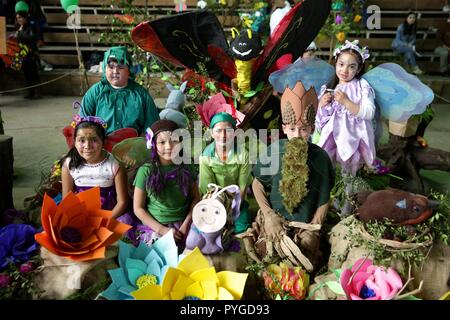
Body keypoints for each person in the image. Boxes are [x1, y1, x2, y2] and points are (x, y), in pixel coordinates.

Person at [242, 80, 335, 270]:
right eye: (292, 129)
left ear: (311, 129)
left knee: (306, 256)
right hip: (276, 221)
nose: (297, 134)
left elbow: (325, 198)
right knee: (267, 255)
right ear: (284, 129)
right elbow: (257, 184)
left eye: (303, 130)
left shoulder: (321, 159)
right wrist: (268, 216)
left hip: (306, 224)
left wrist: (314, 228)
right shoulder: (273, 151)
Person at [130, 119, 199, 245]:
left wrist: (186, 225)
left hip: (184, 223)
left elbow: (195, 199)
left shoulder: (187, 167)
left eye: (174, 140)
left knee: (197, 244)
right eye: (162, 142)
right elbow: (138, 208)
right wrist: (163, 230)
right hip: (155, 226)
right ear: (153, 145)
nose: (169, 147)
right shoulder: (145, 171)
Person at [316, 39, 376, 176]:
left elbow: (369, 112)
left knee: (349, 171)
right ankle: (330, 192)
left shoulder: (362, 86)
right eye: (341, 64)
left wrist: (346, 102)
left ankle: (348, 195)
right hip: (331, 136)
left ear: (359, 69)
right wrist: (322, 105)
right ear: (335, 63)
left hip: (352, 138)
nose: (344, 70)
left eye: (351, 66)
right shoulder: (330, 87)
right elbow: (319, 121)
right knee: (328, 168)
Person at [198, 97, 253, 234]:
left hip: (237, 201)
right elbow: (208, 188)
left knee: (242, 227)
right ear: (211, 133)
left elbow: (242, 186)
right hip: (215, 201)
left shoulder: (243, 155)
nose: (223, 135)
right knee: (210, 230)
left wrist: (234, 209)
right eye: (218, 130)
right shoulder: (206, 157)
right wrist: (219, 209)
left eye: (228, 130)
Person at [80, 46, 160, 136]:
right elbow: (83, 125)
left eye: (121, 67)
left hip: (133, 145)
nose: (115, 71)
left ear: (129, 70)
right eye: (110, 66)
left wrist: (140, 144)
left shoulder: (141, 94)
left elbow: (152, 125)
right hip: (101, 145)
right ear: (104, 69)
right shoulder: (95, 93)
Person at [61, 116, 128, 218]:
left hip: (110, 214)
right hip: (79, 215)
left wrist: (105, 221)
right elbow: (67, 200)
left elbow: (122, 202)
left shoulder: (115, 164)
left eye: (94, 140)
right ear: (74, 142)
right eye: (81, 140)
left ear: (103, 142)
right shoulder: (69, 164)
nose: (87, 146)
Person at [14, 9, 41, 99]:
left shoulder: (31, 26)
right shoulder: (18, 28)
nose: (19, 20)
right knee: (27, 74)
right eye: (17, 18)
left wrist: (20, 35)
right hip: (23, 54)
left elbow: (32, 37)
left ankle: (37, 92)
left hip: (31, 54)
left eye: (20, 18)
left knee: (34, 73)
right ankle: (30, 92)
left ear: (25, 18)